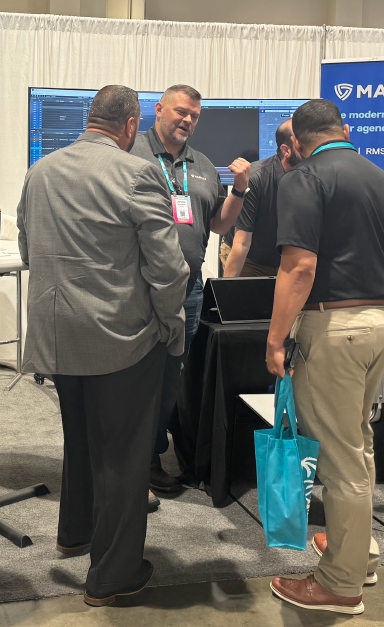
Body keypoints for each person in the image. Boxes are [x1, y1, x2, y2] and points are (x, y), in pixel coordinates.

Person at [18, 85, 189, 607]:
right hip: (123, 339)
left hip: (59, 336)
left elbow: (27, 247)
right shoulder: (139, 173)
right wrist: (169, 325)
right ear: (132, 126)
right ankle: (112, 576)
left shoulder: (41, 170)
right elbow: (167, 268)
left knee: (82, 440)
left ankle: (75, 532)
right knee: (124, 456)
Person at [265, 99, 384, 615]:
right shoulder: (382, 179)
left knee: (338, 455)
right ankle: (358, 550)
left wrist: (276, 339)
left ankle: (340, 584)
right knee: (357, 441)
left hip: (337, 325)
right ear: (343, 130)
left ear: (298, 143)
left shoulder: (304, 178)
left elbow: (299, 267)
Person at [128, 84, 247, 504]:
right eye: (180, 112)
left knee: (172, 373)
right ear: (158, 110)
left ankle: (150, 454)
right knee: (138, 371)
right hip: (139, 284)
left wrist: (239, 191)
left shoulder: (203, 165)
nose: (187, 120)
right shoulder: (131, 153)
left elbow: (216, 225)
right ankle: (135, 458)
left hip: (189, 287)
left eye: (194, 116)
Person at [223, 119, 301, 278]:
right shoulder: (256, 177)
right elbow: (242, 243)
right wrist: (227, 294)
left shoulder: (313, 174)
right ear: (286, 150)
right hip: (250, 259)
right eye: (303, 142)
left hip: (286, 259)